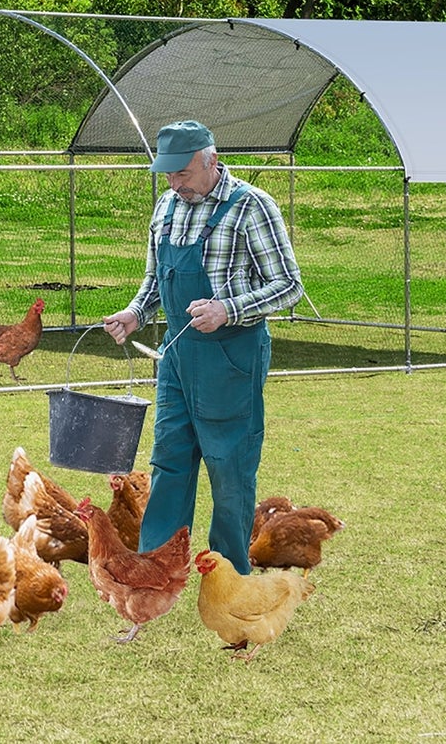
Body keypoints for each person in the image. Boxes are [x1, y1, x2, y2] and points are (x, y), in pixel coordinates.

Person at [103, 120, 301, 572]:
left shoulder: (251, 207)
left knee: (229, 470)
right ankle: (157, 568)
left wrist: (228, 309)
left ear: (211, 161)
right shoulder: (166, 208)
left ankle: (229, 572)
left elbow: (289, 285)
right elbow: (154, 280)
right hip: (176, 361)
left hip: (231, 359)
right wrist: (135, 313)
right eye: (168, 175)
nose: (175, 184)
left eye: (183, 174)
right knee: (169, 462)